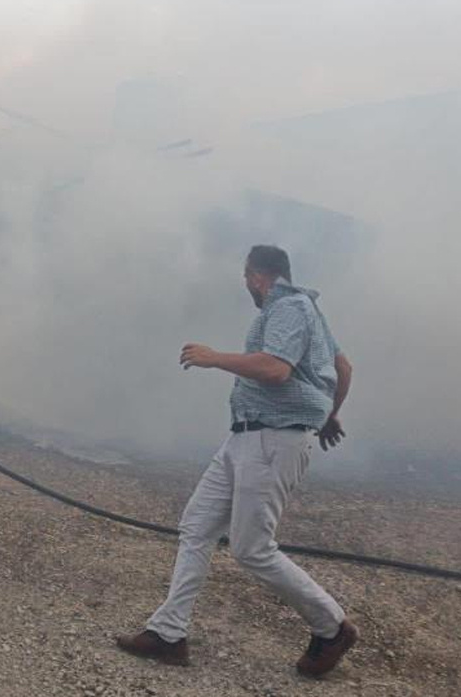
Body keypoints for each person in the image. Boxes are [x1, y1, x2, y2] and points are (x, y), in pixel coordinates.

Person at [116, 245, 356, 678]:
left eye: (247, 277)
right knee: (197, 524)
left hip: (271, 440)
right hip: (247, 437)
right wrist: (328, 414)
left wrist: (214, 358)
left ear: (259, 276)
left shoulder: (289, 306)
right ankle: (169, 633)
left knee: (252, 549)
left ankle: (332, 626)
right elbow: (344, 367)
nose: (246, 284)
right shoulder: (309, 311)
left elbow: (277, 369)